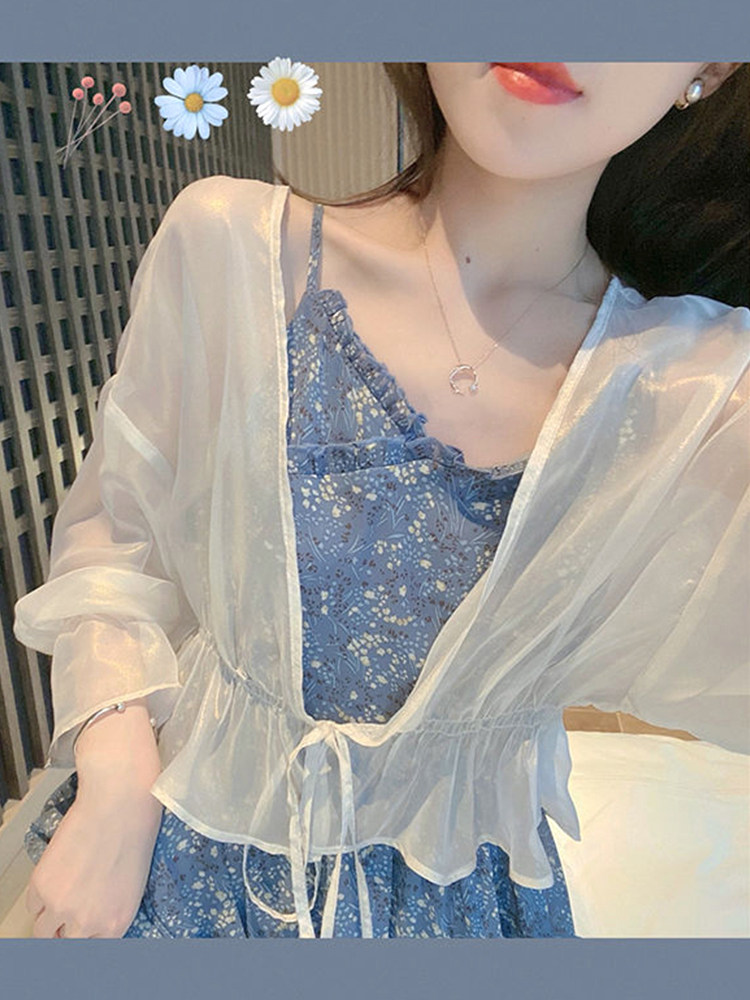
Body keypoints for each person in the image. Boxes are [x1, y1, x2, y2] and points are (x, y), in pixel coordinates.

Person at [13, 62, 749, 939]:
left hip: (467, 908)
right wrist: (116, 772)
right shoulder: (233, 249)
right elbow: (113, 539)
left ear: (711, 63)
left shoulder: (696, 389)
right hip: (185, 854)